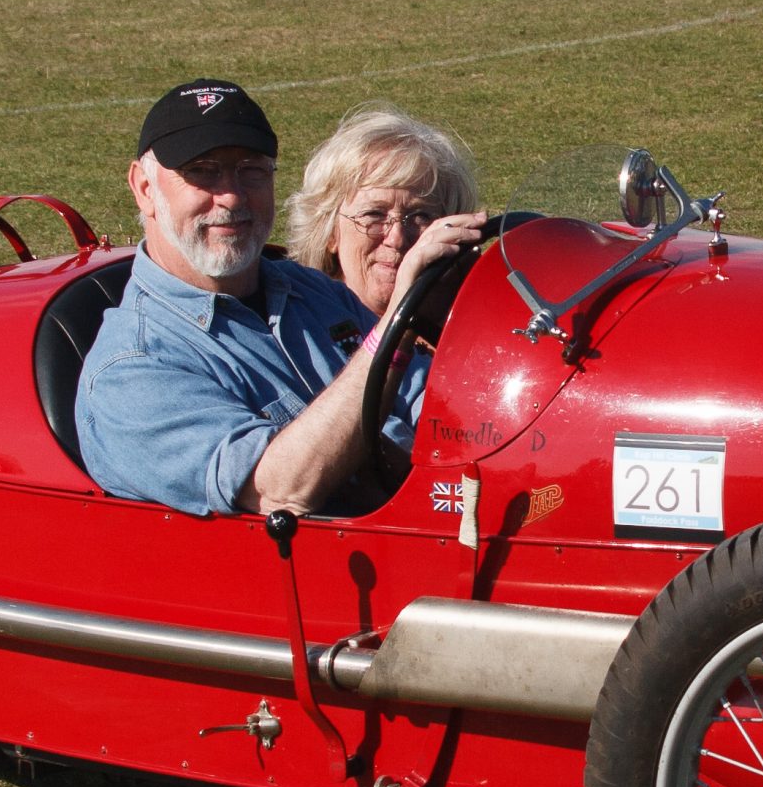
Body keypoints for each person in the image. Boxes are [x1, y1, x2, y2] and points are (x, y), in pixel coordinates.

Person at [74, 80, 486, 518]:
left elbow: (436, 403)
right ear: (143, 187)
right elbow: (281, 489)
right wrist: (399, 320)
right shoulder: (134, 367)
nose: (231, 195)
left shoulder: (309, 292)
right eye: (203, 171)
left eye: (251, 170)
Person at [284, 106, 485, 315]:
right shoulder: (305, 325)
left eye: (419, 216)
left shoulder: (470, 320)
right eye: (374, 215)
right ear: (331, 233)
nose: (396, 239)